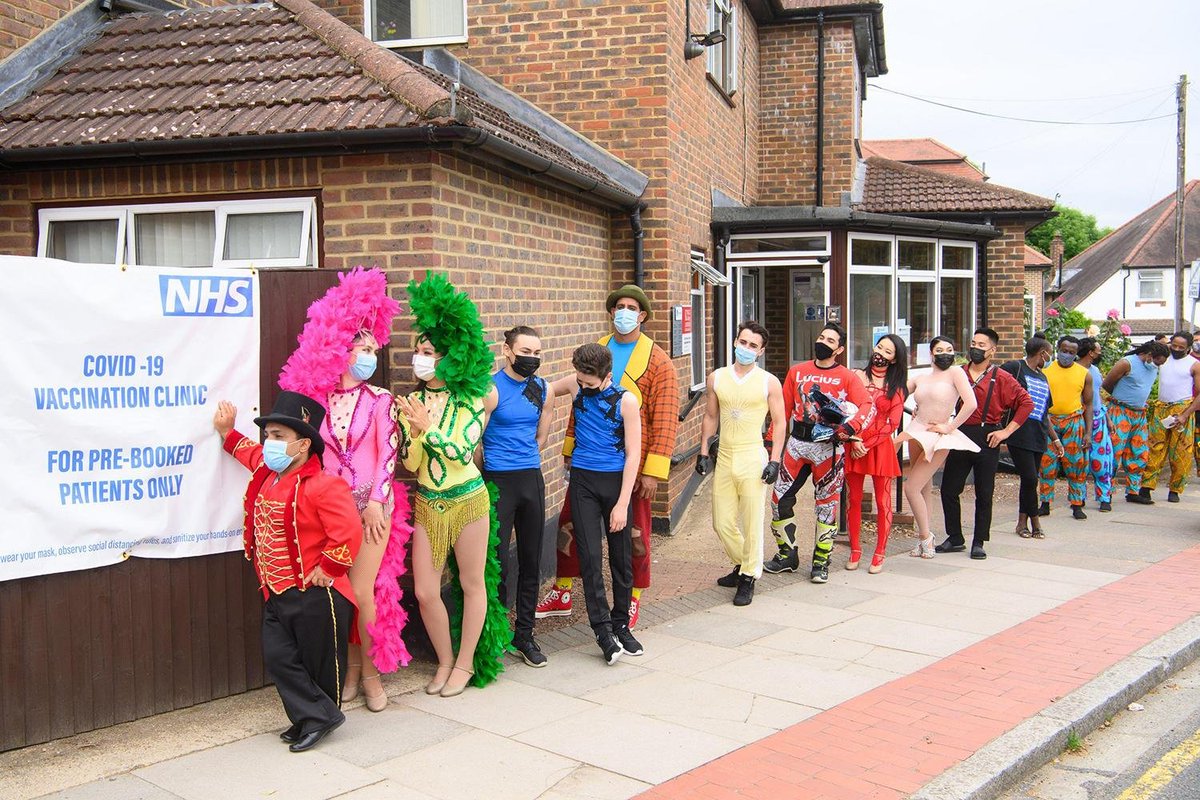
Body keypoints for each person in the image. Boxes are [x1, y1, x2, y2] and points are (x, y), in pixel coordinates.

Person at [276, 267, 406, 714]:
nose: (370, 355)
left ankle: (369, 676)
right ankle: (347, 670)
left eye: (374, 349)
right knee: (339, 592)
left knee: (363, 590)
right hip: (331, 511)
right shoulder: (320, 402)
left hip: (371, 509)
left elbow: (389, 453)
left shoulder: (381, 400)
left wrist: (374, 503)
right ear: (344, 351)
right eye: (362, 348)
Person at [213, 392, 361, 753]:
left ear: (304, 444)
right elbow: (248, 452)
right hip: (275, 590)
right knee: (279, 657)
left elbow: (348, 531)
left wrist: (329, 567)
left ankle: (314, 718)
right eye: (268, 435)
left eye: (278, 437)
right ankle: (317, 716)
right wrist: (228, 433)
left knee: (317, 661)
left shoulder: (324, 485)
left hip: (315, 592)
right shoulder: (268, 473)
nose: (269, 443)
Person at [536, 285, 679, 628]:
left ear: (642, 315)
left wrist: (652, 471)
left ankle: (632, 598)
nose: (624, 312)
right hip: (586, 463)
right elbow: (578, 404)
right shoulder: (597, 350)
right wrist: (567, 448)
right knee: (568, 526)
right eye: (619, 306)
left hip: (631, 463)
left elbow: (664, 418)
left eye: (631, 307)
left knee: (634, 535)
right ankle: (564, 589)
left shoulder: (658, 361)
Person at [394, 274, 509, 697]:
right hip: (428, 501)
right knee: (424, 590)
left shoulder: (472, 399)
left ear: (449, 357)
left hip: (468, 500)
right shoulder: (415, 400)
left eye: (428, 352)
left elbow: (462, 452)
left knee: (471, 583)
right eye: (418, 352)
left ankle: (464, 664)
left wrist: (429, 429)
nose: (419, 359)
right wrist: (410, 432)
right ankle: (443, 660)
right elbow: (413, 463)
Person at [766, 322, 874, 584]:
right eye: (821, 337)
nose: (823, 343)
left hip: (830, 447)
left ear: (840, 349)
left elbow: (868, 406)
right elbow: (781, 411)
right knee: (778, 500)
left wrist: (850, 427)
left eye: (830, 340)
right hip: (797, 443)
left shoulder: (848, 376)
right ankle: (786, 555)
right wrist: (771, 444)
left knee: (826, 507)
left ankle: (821, 560)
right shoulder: (797, 371)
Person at [695, 321, 786, 604]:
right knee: (721, 521)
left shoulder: (768, 381)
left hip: (752, 454)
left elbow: (780, 421)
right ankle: (743, 562)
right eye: (743, 342)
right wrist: (702, 451)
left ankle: (748, 576)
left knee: (751, 520)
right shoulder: (717, 378)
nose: (746, 349)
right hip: (725, 455)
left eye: (753, 346)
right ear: (735, 342)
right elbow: (711, 416)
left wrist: (774, 460)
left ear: (761, 351)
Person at [563, 343, 643, 663]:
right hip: (582, 481)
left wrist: (623, 503)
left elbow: (634, 453)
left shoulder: (627, 401)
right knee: (590, 559)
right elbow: (540, 388)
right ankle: (602, 631)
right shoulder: (575, 383)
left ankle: (621, 624)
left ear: (607, 376)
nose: (583, 387)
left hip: (615, 483)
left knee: (621, 558)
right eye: (580, 381)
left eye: (590, 384)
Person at [480, 326, 552, 667]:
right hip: (498, 481)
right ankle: (495, 634)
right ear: (507, 350)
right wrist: (494, 465)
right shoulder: (490, 389)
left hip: (531, 480)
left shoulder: (542, 388)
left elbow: (541, 435)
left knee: (530, 560)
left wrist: (524, 458)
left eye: (537, 353)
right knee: (497, 561)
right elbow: (475, 440)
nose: (532, 358)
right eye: (526, 351)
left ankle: (525, 634)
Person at [936, 328, 1031, 559]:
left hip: (987, 435)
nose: (975, 348)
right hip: (960, 433)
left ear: (992, 350)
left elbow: (1026, 403)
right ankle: (955, 537)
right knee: (949, 489)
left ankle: (979, 541)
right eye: (973, 343)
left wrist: (1006, 432)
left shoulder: (1002, 377)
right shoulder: (957, 373)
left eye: (981, 345)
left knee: (984, 492)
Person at [898, 336, 979, 559]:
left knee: (910, 488)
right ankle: (923, 539)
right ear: (931, 354)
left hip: (937, 435)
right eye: (940, 349)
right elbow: (897, 396)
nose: (945, 353)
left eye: (950, 349)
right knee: (923, 487)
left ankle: (926, 537)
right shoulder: (921, 377)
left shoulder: (956, 373)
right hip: (916, 431)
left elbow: (971, 403)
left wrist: (950, 425)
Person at [845, 333, 908, 574]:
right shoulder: (857, 376)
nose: (880, 353)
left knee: (883, 501)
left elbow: (892, 424)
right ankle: (855, 549)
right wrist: (854, 439)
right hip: (855, 442)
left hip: (878, 447)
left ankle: (880, 551)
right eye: (879, 347)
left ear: (894, 359)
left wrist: (866, 444)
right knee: (854, 500)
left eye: (887, 351)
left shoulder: (897, 387)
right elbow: (847, 409)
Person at [1001, 337, 1057, 538]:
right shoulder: (1015, 367)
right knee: (1030, 477)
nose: (1050, 358)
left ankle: (1021, 522)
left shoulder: (1042, 377)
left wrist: (1055, 439)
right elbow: (996, 385)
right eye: (1049, 353)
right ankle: (1035, 521)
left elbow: (1045, 413)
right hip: (1019, 433)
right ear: (1042, 353)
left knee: (1030, 481)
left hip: (1039, 435)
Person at [1103, 341, 1169, 504]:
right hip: (1120, 411)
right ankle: (1106, 492)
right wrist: (1123, 399)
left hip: (1139, 414)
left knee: (1138, 452)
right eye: (1157, 361)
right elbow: (1107, 384)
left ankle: (1133, 491)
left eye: (1160, 364)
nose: (1157, 366)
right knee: (1114, 451)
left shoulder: (1152, 367)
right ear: (1148, 355)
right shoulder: (1127, 363)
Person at [1037, 336, 1094, 520]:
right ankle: (1045, 503)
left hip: (1074, 421)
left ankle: (1077, 504)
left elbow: (1089, 404)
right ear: (1057, 349)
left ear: (1076, 354)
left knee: (1076, 464)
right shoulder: (1045, 371)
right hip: (1049, 421)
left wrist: (1088, 432)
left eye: (1071, 352)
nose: (1066, 355)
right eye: (1064, 350)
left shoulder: (1084, 374)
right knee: (1046, 463)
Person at [1143, 331, 1200, 502]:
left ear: (1188, 348)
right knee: (1154, 448)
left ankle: (1175, 489)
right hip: (1161, 407)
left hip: (1182, 409)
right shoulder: (1162, 359)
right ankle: (1146, 487)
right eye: (1174, 345)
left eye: (1181, 347)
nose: (1176, 349)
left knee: (1181, 451)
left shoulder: (1194, 365)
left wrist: (1185, 415)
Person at [1076, 337, 1113, 512]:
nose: (1100, 352)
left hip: (1098, 418)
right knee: (1079, 462)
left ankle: (1105, 497)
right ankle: (1079, 498)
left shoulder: (1095, 370)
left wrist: (1107, 418)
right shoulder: (1073, 370)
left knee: (1101, 461)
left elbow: (1097, 397)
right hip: (1077, 419)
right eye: (1097, 350)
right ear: (1090, 352)